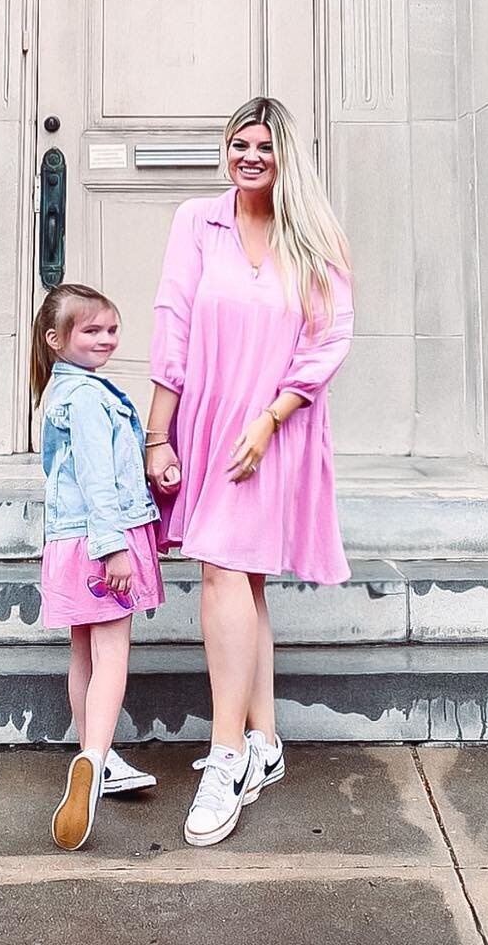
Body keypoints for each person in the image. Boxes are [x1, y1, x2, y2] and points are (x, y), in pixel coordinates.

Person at [145, 95, 354, 847]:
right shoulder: (196, 222)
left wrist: (269, 421)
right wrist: (157, 436)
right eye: (239, 144)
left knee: (230, 578)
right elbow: (171, 322)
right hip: (206, 423)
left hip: (276, 431)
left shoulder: (315, 236)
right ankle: (260, 741)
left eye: (263, 145)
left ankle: (227, 757)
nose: (249, 156)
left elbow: (329, 342)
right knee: (237, 580)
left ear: (284, 153)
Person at [34, 283, 165, 850]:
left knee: (83, 651)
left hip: (68, 542)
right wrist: (114, 547)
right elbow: (94, 477)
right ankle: (92, 760)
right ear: (56, 340)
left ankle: (99, 755)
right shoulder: (88, 398)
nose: (106, 339)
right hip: (102, 541)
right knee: (113, 655)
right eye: (91, 330)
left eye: (111, 329)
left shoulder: (64, 393)